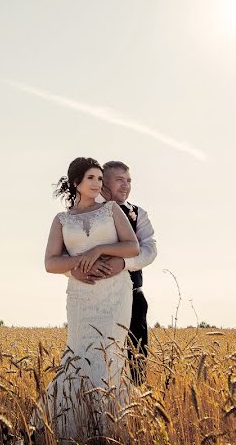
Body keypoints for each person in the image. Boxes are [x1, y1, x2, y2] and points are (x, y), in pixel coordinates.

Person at [37, 156, 139, 441]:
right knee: (79, 355)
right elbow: (50, 263)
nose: (98, 183)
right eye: (91, 178)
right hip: (81, 296)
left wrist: (101, 249)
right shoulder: (62, 220)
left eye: (99, 178)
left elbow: (132, 246)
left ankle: (111, 428)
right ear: (76, 183)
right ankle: (70, 427)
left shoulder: (110, 210)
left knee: (109, 353)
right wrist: (77, 264)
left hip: (115, 294)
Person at [70, 160, 157, 384]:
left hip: (133, 295)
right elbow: (71, 250)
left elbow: (149, 249)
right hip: (94, 297)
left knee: (136, 355)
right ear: (103, 183)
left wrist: (124, 263)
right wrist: (73, 273)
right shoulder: (84, 213)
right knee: (95, 353)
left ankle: (135, 403)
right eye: (119, 180)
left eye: (129, 181)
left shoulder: (138, 213)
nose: (126, 186)